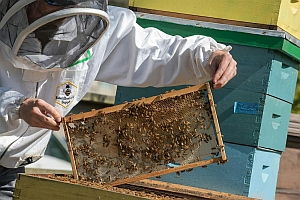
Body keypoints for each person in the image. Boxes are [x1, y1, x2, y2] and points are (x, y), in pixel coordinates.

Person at [0, 0, 237, 199]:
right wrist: (14, 106)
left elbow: (155, 53)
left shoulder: (98, 27)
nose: (51, 13)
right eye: (48, 2)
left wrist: (208, 56)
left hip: (11, 170)